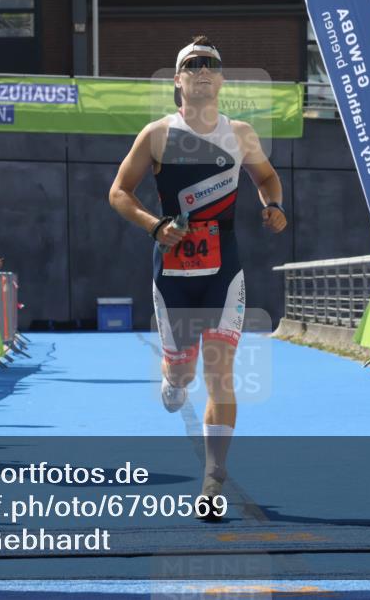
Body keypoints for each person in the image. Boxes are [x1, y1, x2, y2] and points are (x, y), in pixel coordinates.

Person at [108, 36, 287, 515]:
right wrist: (155, 226)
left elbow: (267, 178)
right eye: (193, 64)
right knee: (184, 372)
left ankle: (213, 477)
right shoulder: (157, 135)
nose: (203, 70)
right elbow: (119, 192)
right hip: (173, 272)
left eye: (211, 64)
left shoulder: (242, 134)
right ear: (178, 81)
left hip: (224, 270)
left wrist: (273, 206)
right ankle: (172, 376)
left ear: (222, 80)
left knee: (220, 375)